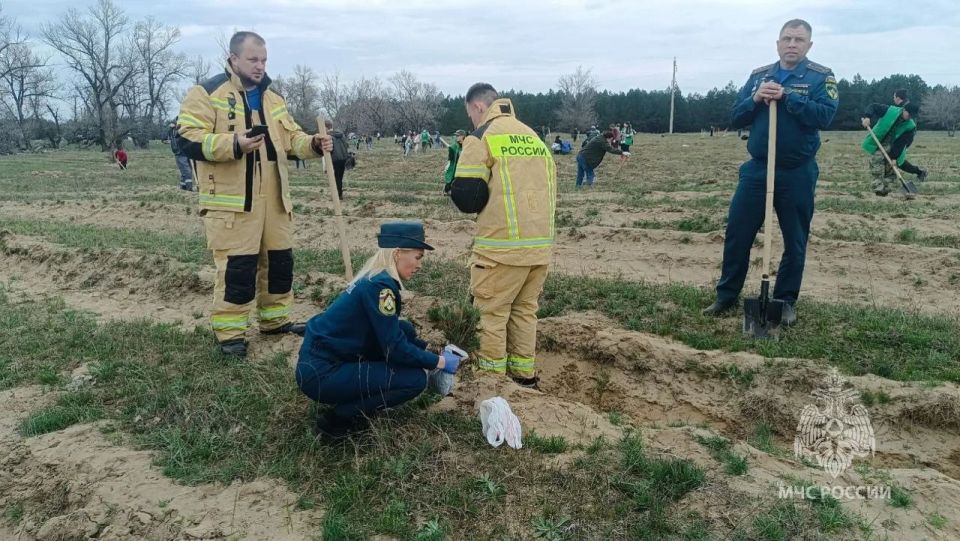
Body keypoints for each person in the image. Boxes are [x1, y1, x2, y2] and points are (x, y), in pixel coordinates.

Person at [176, 31, 333, 357]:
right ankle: (231, 335)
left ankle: (275, 321)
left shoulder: (274, 100)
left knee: (279, 265)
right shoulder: (206, 94)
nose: (260, 66)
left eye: (263, 60)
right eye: (253, 59)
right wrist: (234, 144)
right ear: (233, 59)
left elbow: (292, 140)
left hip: (275, 203)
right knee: (238, 270)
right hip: (233, 206)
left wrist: (315, 145)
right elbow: (187, 139)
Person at [701, 19, 838, 327]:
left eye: (799, 40)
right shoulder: (758, 76)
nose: (792, 44)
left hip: (797, 171)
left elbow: (825, 116)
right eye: (787, 38)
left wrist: (789, 98)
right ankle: (726, 296)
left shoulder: (821, 77)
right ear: (777, 43)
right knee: (738, 232)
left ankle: (785, 301)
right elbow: (736, 117)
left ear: (809, 46)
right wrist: (756, 98)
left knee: (795, 238)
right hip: (757, 170)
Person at [296, 222, 466, 441]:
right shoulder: (381, 289)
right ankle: (336, 420)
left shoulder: (373, 279)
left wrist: (429, 349)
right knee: (414, 380)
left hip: (321, 362)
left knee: (403, 328)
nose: (419, 265)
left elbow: (394, 334)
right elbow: (394, 349)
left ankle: (349, 397)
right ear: (397, 254)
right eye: (417, 257)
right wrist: (439, 362)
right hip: (321, 375)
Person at [449, 83, 556, 387]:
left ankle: (491, 382)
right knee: (524, 312)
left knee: (491, 316)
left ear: (478, 107)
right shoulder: (532, 136)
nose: (471, 120)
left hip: (500, 251)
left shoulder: (482, 137)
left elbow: (468, 198)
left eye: (470, 113)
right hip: (538, 249)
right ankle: (524, 378)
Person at [862, 101, 926, 196]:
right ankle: (878, 187)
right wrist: (867, 117)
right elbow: (873, 106)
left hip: (893, 146)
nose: (910, 117)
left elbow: (901, 143)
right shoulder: (890, 110)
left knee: (891, 167)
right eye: (909, 114)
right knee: (877, 158)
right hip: (878, 141)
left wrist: (894, 157)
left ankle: (887, 186)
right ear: (904, 109)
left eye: (912, 116)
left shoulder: (910, 126)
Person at [327, 119, 350, 200]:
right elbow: (347, 145)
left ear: (325, 127)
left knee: (336, 178)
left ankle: (338, 195)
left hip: (335, 160)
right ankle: (339, 194)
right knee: (340, 177)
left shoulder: (328, 136)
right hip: (343, 158)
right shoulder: (341, 134)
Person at [169, 119, 194, 190]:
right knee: (187, 171)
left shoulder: (185, 128)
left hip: (187, 152)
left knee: (186, 171)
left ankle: (183, 187)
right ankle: (189, 188)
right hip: (180, 153)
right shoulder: (174, 130)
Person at [443, 129, 467, 194]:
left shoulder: (467, 145)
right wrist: (448, 165)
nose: (456, 137)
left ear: (463, 136)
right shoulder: (453, 147)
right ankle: (446, 190)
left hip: (464, 166)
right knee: (451, 178)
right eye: (456, 136)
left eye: (458, 136)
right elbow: (450, 158)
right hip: (455, 165)